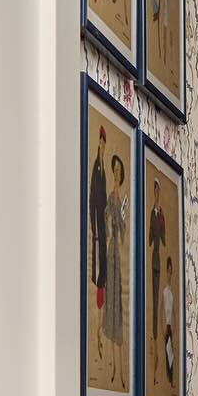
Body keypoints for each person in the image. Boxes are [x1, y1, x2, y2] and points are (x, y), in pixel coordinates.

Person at [101, 153, 127, 366]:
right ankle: (110, 360)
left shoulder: (120, 200)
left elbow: (123, 232)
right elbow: (109, 224)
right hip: (112, 251)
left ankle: (118, 362)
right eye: (115, 170)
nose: (117, 174)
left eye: (119, 171)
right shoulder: (111, 198)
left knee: (118, 295)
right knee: (111, 294)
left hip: (118, 252)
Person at [89, 124, 109, 366]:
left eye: (105, 143)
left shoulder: (103, 169)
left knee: (103, 281)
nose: (103, 146)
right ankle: (95, 335)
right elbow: (94, 202)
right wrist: (96, 233)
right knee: (98, 281)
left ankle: (99, 333)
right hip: (97, 233)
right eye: (102, 143)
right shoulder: (96, 168)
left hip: (103, 234)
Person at [147, 181, 167, 345]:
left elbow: (164, 239)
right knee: (152, 296)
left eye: (158, 190)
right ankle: (153, 334)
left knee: (157, 296)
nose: (156, 193)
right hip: (152, 258)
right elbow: (149, 238)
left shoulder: (160, 215)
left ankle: (155, 334)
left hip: (158, 259)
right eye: (155, 190)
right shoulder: (152, 214)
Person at [162, 256, 176, 387]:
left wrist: (175, 328)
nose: (170, 273)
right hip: (166, 326)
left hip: (171, 326)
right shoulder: (165, 291)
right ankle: (169, 379)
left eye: (171, 271)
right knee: (167, 352)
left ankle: (171, 379)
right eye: (168, 270)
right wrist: (163, 328)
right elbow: (162, 310)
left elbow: (174, 312)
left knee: (172, 351)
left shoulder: (171, 292)